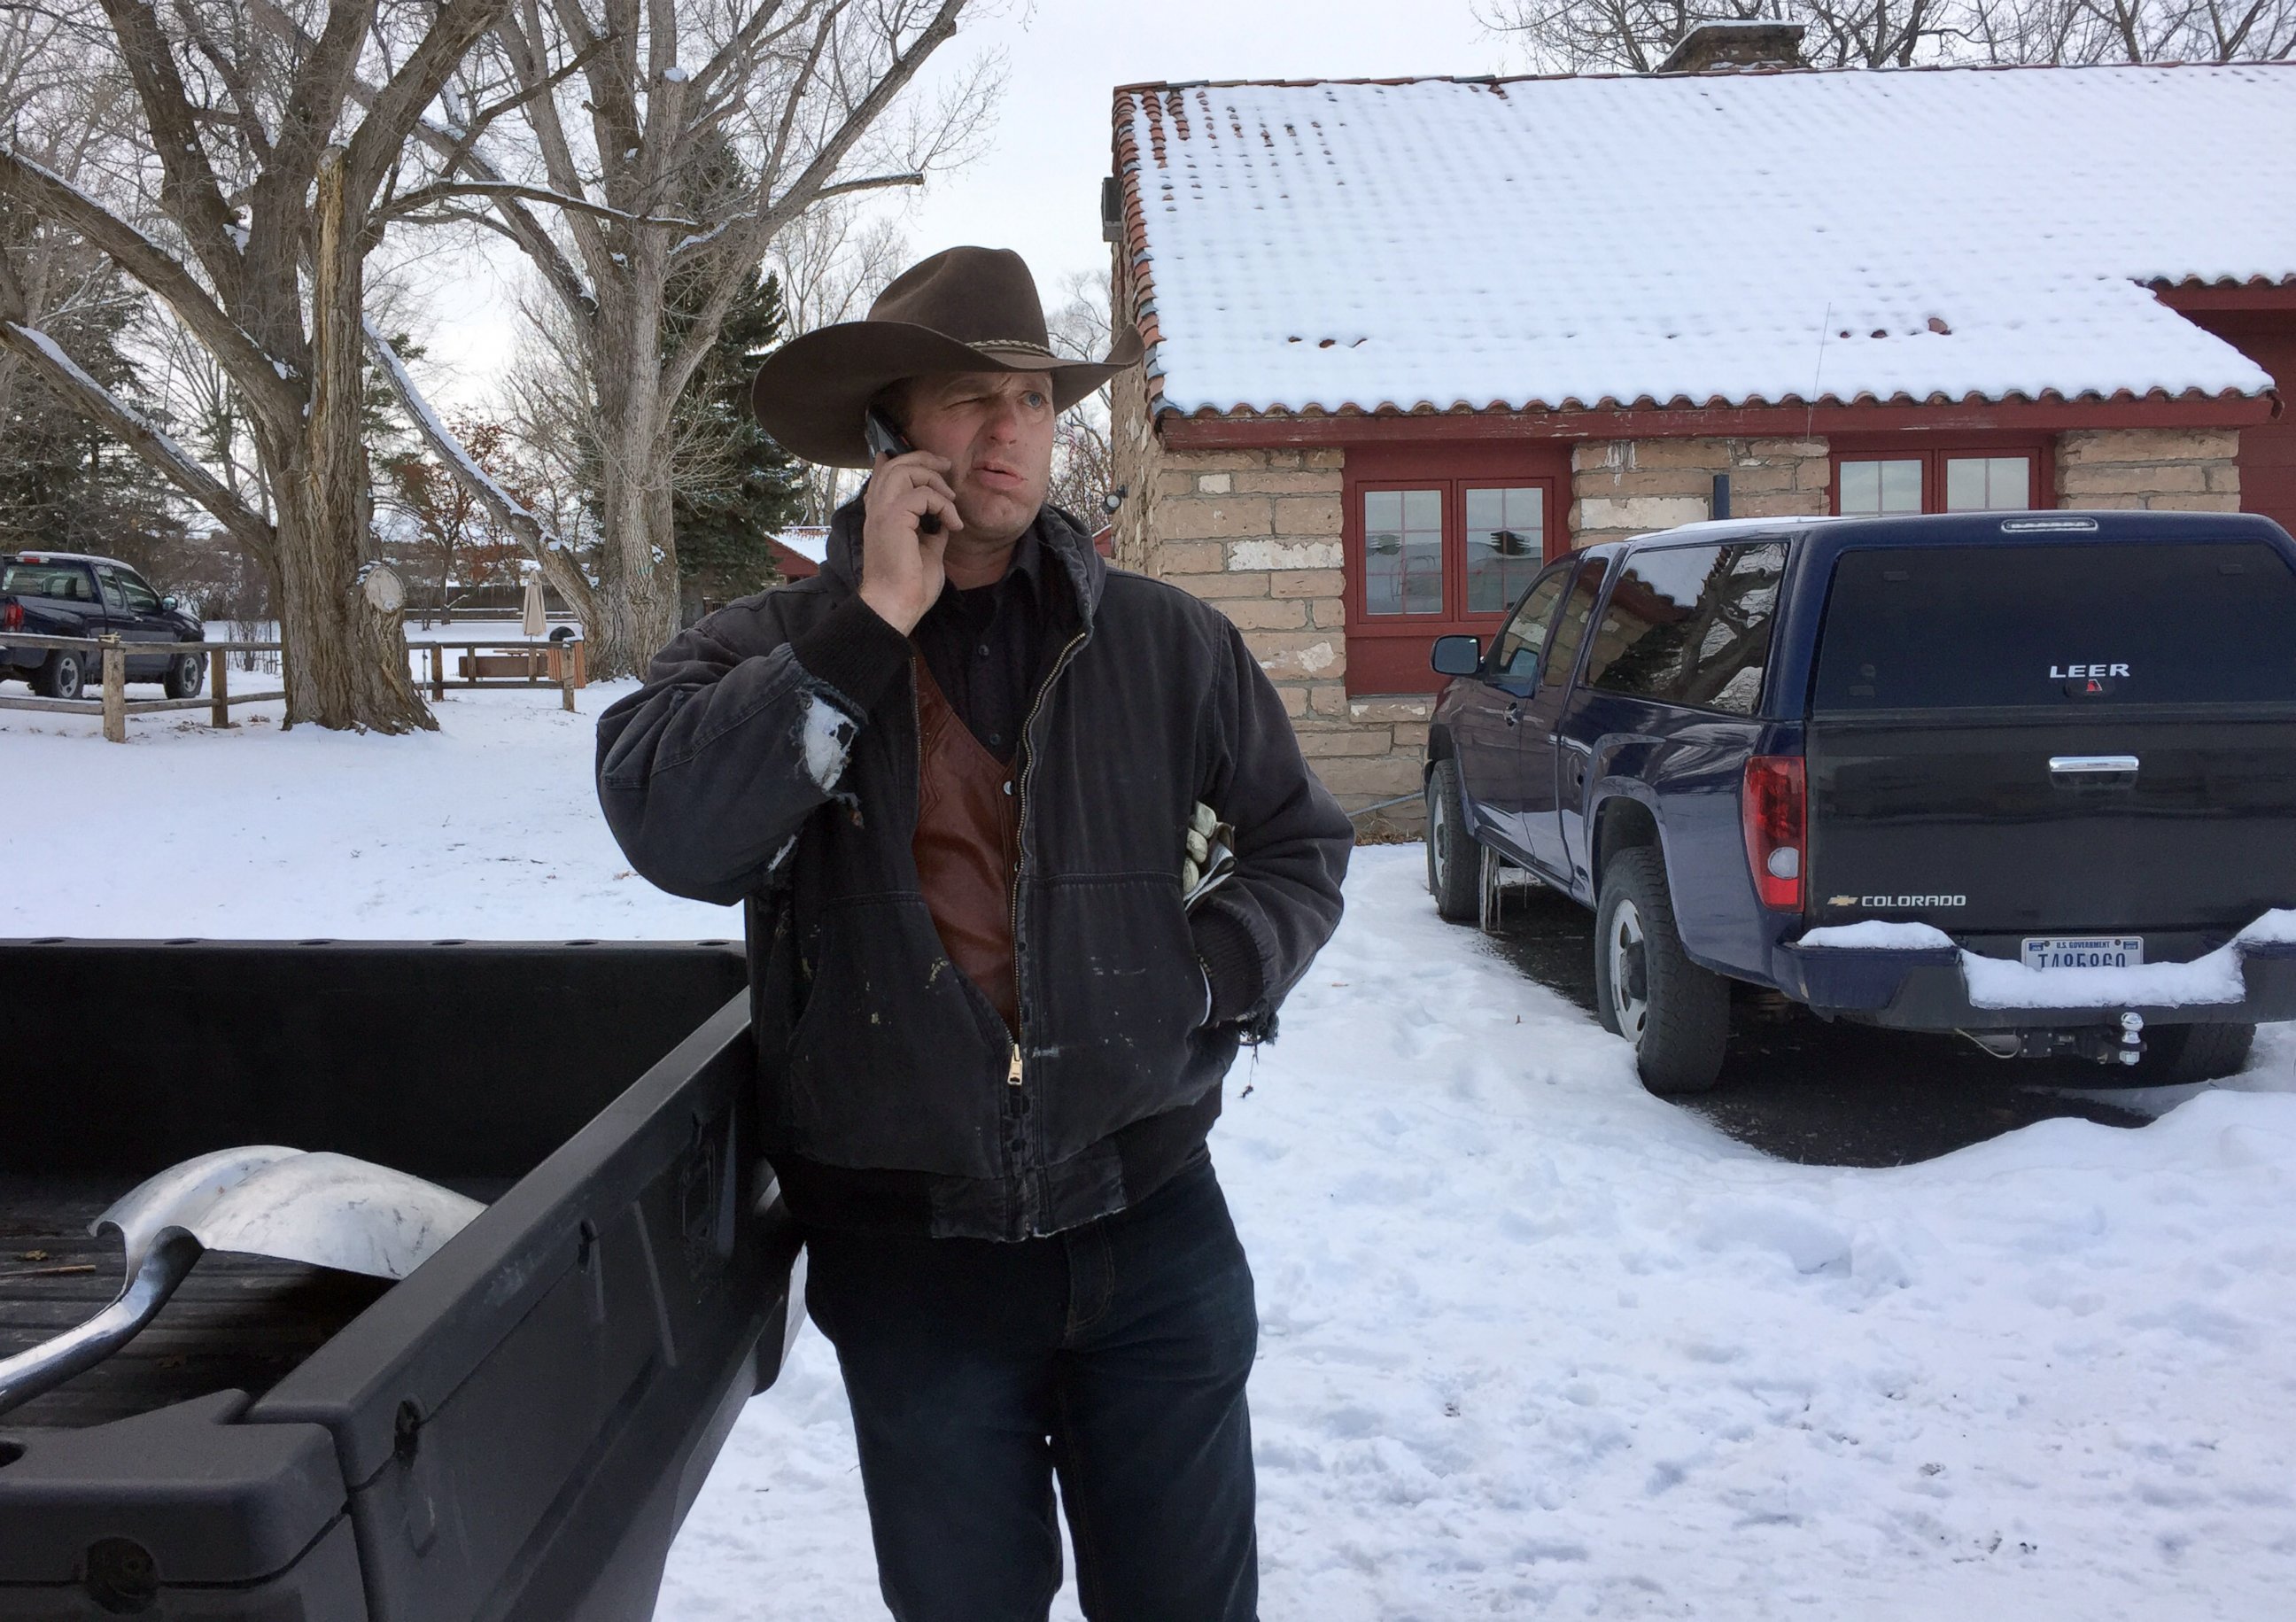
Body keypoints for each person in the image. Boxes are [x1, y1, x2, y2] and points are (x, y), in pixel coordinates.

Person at [595, 245, 1352, 1620]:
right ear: (892, 435)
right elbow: (673, 836)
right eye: (967, 399)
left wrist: (1208, 970)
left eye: (1034, 402)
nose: (1009, 433)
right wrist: (872, 620)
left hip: (1152, 1226)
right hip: (912, 1259)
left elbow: (1300, 845)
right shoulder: (764, 649)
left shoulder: (1169, 645)